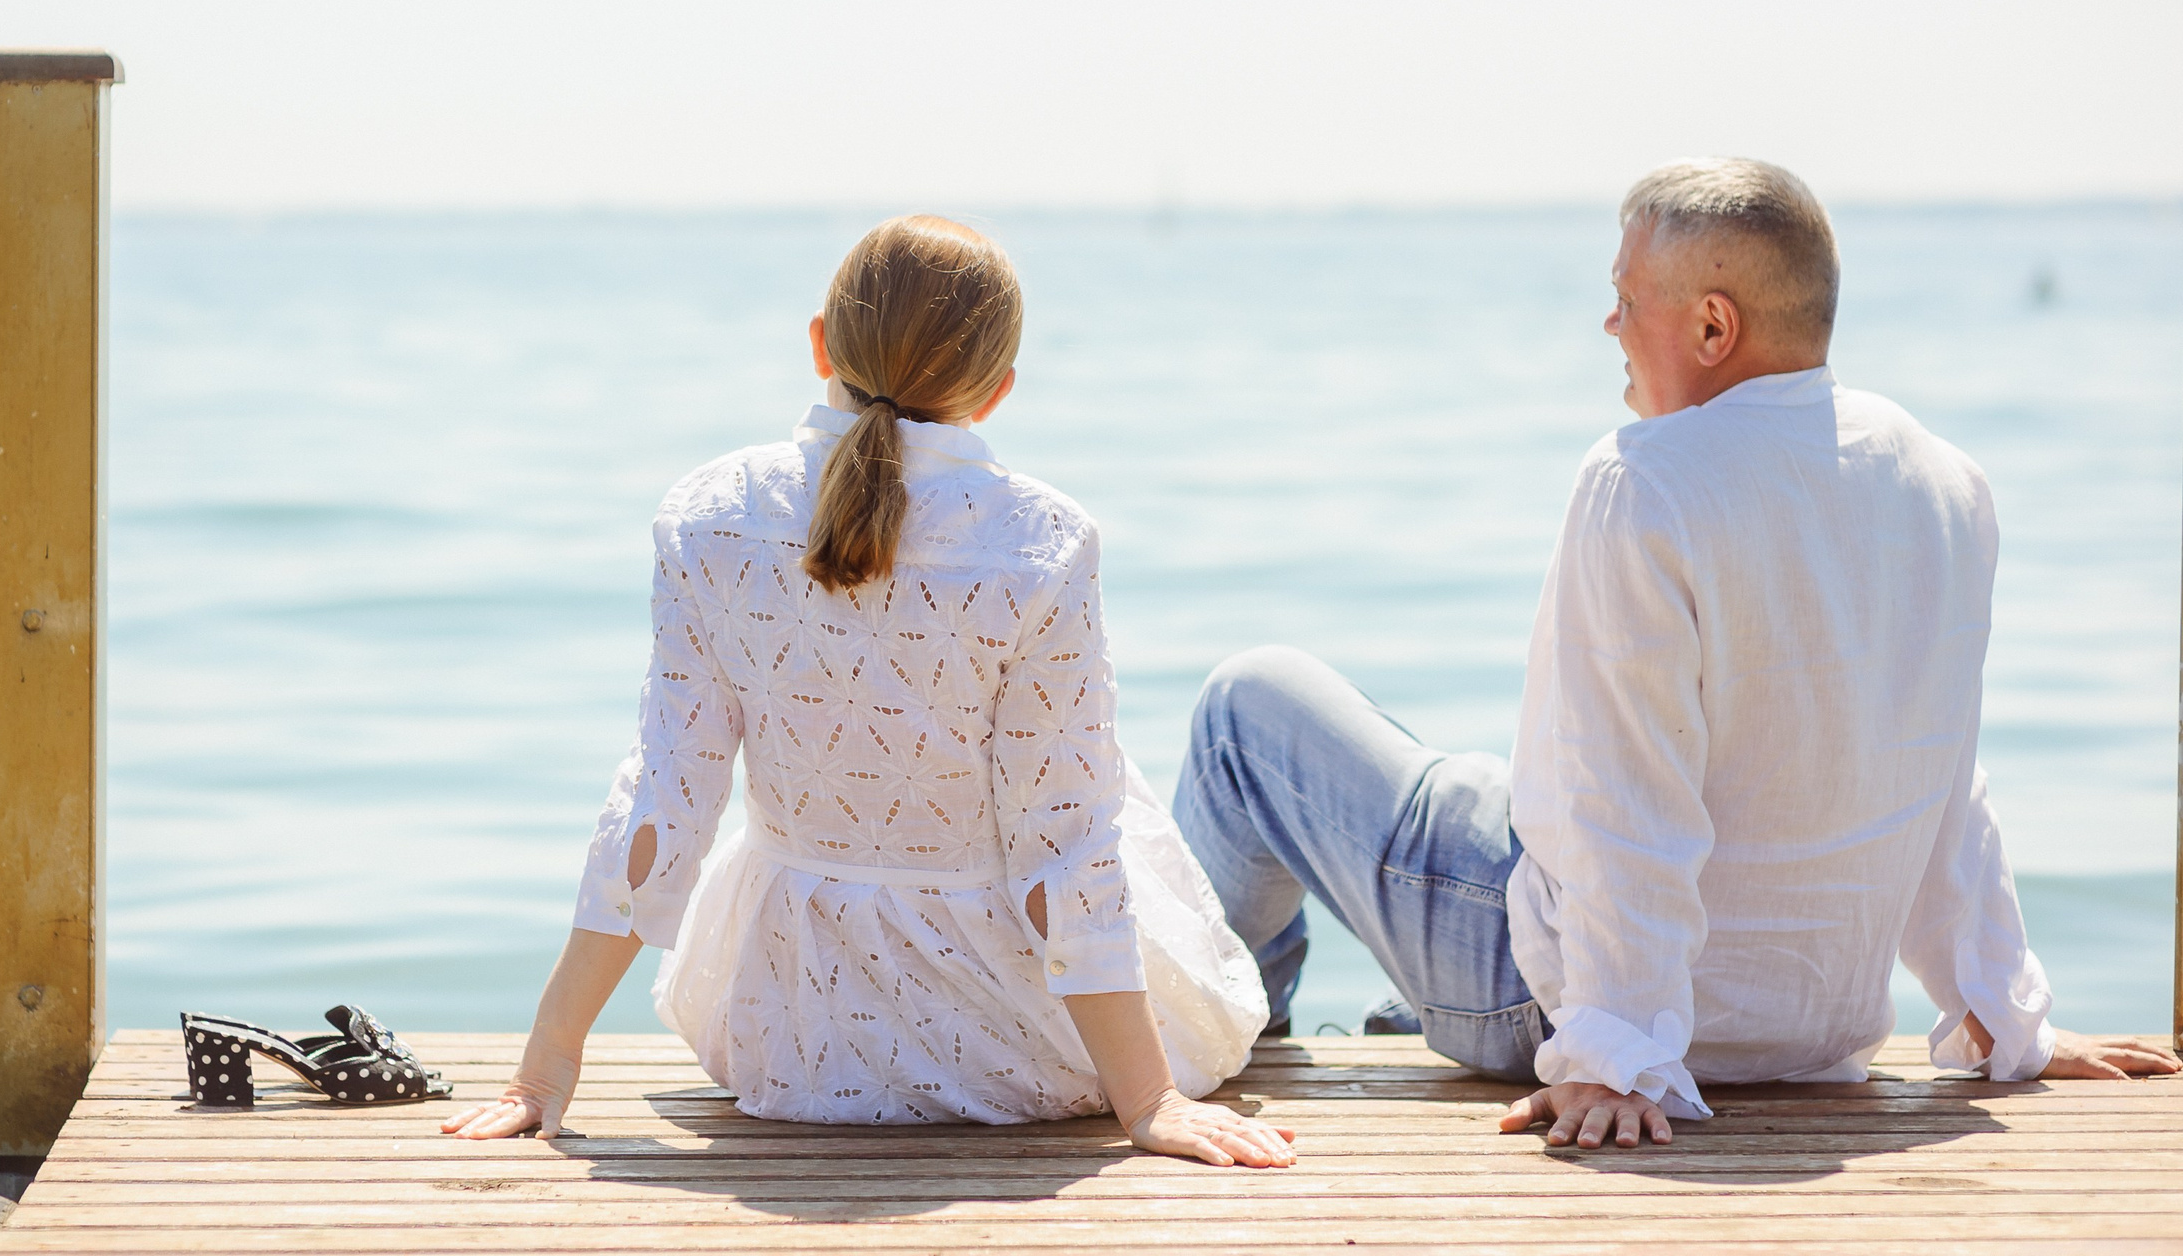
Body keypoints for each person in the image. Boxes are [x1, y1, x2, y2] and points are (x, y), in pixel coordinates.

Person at [1171, 158, 2180, 1153]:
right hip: (1812, 1032)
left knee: (1246, 706)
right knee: (1486, 783)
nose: (1608, 324)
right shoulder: (1946, 483)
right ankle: (1403, 1015)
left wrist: (1612, 1055)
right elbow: (1941, 779)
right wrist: (2007, 1017)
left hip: (1596, 1014)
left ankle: (1204, 1046)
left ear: (1711, 325)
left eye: (1623, 297)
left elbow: (1623, 800)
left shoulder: (1642, 480)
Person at [444, 215, 1290, 1166]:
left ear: (819, 344)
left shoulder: (709, 516)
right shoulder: (1041, 542)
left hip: (790, 1035)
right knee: (1099, 781)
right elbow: (1068, 836)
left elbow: (664, 802)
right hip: (1026, 1048)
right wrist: (1148, 1099)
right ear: (998, 391)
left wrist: (546, 1066)